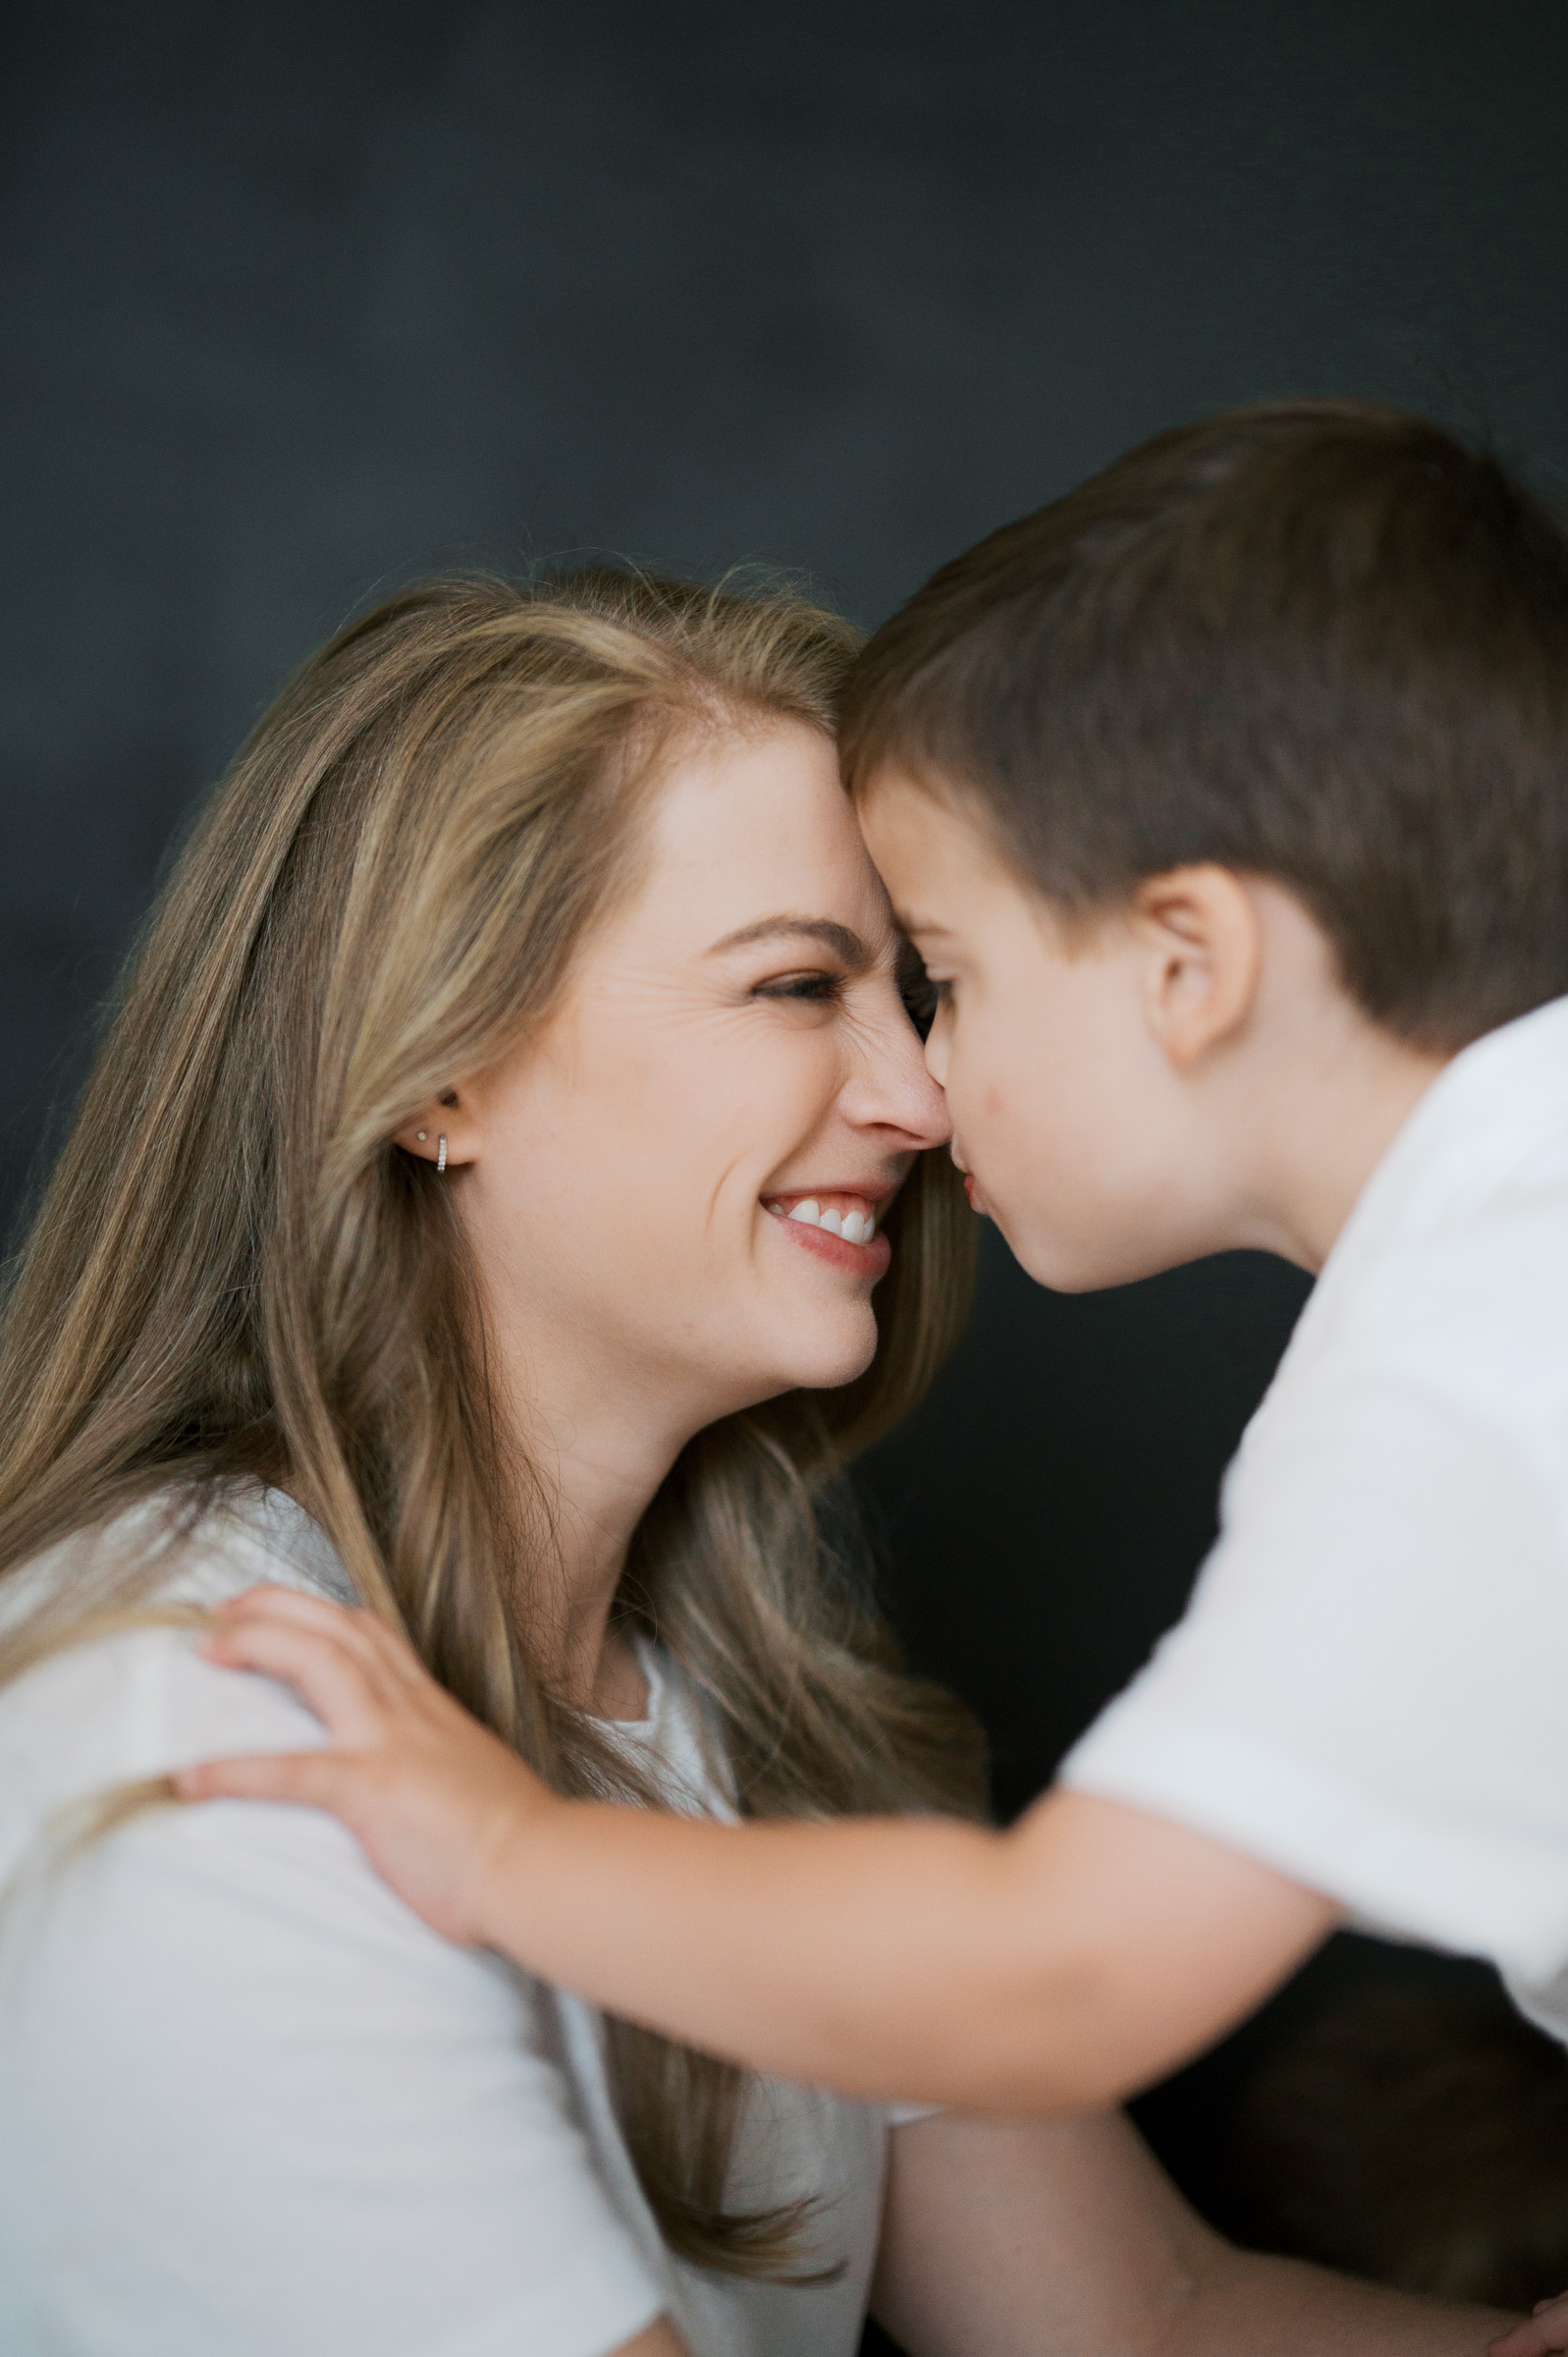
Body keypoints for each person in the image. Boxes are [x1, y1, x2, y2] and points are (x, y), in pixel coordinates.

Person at [181, 404, 1568, 2357]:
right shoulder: (193, 1686)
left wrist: (507, 1849)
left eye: (936, 968)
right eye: (799, 982)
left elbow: (1059, 1984)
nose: (919, 1092)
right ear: (436, 1066)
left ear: (1190, 963)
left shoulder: (1454, 1361)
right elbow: (1142, 2312)